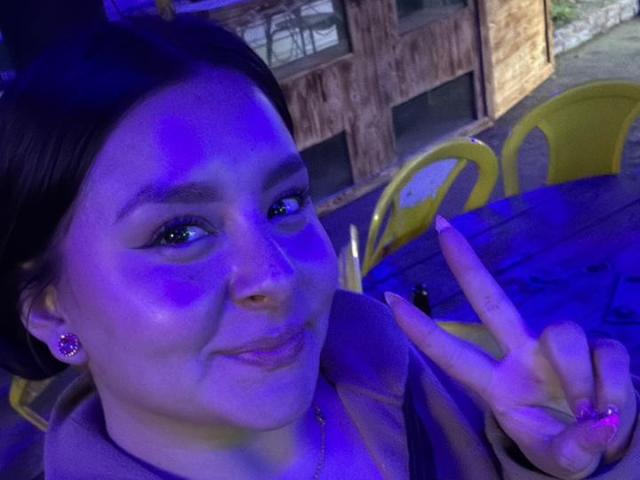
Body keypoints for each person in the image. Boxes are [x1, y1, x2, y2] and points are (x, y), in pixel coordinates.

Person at [0, 15, 637, 480]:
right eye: (179, 233)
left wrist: (562, 464)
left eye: (284, 205)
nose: (276, 277)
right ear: (50, 309)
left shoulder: (395, 366)